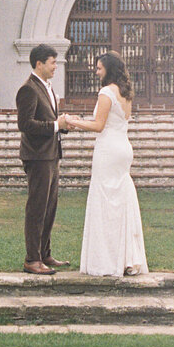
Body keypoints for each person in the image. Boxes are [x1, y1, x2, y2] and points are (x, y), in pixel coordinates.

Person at [61, 51, 148, 277]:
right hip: (124, 148)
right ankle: (128, 258)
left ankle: (107, 260)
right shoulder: (126, 93)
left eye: (99, 68)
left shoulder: (106, 92)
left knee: (105, 202)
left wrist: (74, 121)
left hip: (108, 150)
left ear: (108, 69)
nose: (96, 71)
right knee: (121, 199)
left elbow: (99, 125)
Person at [16, 44, 71, 275]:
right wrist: (56, 125)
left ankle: (44, 253)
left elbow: (50, 120)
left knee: (50, 207)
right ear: (39, 64)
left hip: (51, 155)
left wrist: (63, 124)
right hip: (37, 157)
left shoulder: (47, 88)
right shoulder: (28, 89)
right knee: (37, 208)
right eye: (52, 62)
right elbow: (25, 124)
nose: (55, 67)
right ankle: (32, 259)